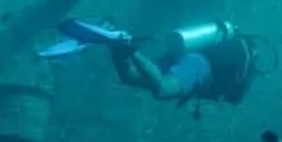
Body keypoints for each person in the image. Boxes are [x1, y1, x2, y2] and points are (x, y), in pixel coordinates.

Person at [38, 18, 258, 104]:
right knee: (161, 89)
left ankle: (117, 44)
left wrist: (123, 53)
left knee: (131, 76)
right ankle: (126, 45)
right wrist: (134, 51)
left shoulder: (234, 54)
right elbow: (233, 97)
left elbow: (132, 77)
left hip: (182, 58)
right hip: (198, 67)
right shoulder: (241, 74)